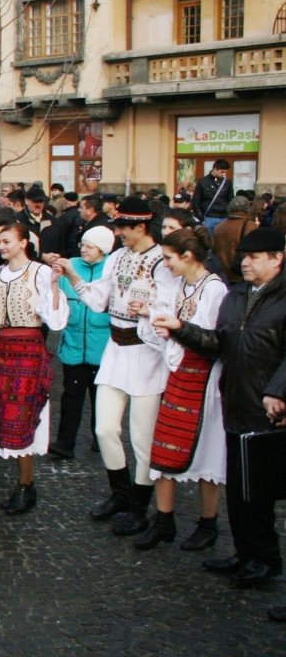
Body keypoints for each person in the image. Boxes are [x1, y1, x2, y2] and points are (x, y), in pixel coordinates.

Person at [163, 228, 286, 593]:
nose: (244, 263)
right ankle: (245, 553)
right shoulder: (237, 295)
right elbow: (219, 343)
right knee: (238, 489)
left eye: (254, 257)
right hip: (235, 401)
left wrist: (278, 391)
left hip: (268, 409)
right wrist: (181, 329)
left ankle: (265, 559)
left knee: (261, 491)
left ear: (277, 258)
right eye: (243, 257)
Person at [57, 197, 180, 535]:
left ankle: (139, 506)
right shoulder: (117, 257)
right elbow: (99, 301)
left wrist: (150, 311)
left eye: (123, 227)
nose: (119, 233)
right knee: (104, 429)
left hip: (146, 353)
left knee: (142, 437)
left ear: (141, 226)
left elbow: (172, 308)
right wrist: (73, 276)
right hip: (115, 350)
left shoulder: (162, 261)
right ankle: (120, 493)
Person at [0, 222, 68, 514]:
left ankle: (25, 485)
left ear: (23, 243)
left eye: (7, 241)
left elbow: (55, 319)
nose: (1, 246)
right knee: (6, 414)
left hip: (28, 350)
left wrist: (54, 285)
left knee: (23, 416)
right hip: (2, 350)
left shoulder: (40, 272)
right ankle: (23, 484)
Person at [133, 226, 227, 551]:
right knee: (163, 448)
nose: (166, 264)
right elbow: (167, 326)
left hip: (205, 379)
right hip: (177, 374)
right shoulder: (179, 286)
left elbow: (214, 340)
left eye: (169, 258)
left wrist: (176, 329)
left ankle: (208, 523)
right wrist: (152, 318)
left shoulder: (214, 289)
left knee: (208, 453)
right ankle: (164, 520)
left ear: (187, 256)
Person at [50, 226, 114, 459]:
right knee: (71, 397)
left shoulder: (111, 269)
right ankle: (64, 443)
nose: (83, 249)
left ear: (103, 249)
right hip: (73, 344)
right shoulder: (70, 266)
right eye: (82, 244)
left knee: (102, 400)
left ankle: (101, 439)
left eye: (90, 246)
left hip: (103, 348)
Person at [213, 196, 259, 283]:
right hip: (241, 275)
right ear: (247, 209)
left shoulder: (219, 227)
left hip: (222, 276)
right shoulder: (250, 226)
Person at [192, 159, 233, 230]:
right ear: (215, 169)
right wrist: (201, 218)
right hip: (208, 216)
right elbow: (196, 201)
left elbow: (231, 199)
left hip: (223, 216)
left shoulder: (227, 182)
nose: (224, 174)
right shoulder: (203, 182)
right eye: (222, 172)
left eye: (225, 172)